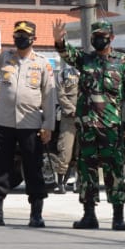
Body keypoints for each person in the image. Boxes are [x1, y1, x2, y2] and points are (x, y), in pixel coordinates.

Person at [53, 20, 125, 230]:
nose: (98, 39)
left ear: (111, 37)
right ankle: (89, 215)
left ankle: (118, 217)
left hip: (112, 127)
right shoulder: (86, 59)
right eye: (95, 36)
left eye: (102, 35)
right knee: (86, 171)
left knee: (115, 171)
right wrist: (59, 40)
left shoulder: (123, 61)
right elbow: (68, 53)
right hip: (87, 127)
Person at [0, 9, 55, 228]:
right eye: (17, 34)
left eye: (24, 35)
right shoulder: (5, 57)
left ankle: (36, 213)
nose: (20, 38)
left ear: (33, 38)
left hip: (30, 123)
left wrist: (48, 125)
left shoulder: (42, 64)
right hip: (4, 122)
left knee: (33, 168)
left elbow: (49, 96)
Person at [49, 59, 79, 193]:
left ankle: (79, 182)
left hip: (86, 118)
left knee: (82, 152)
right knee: (65, 150)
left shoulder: (91, 73)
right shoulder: (64, 74)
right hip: (69, 118)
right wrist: (72, 110)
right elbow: (61, 95)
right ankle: (60, 183)